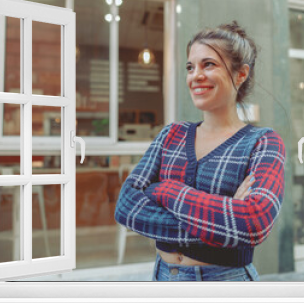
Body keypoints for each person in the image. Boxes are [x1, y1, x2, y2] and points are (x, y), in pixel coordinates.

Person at [115, 21, 285, 281]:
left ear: (240, 74)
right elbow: (126, 207)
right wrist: (225, 222)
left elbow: (253, 223)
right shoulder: (171, 134)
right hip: (163, 276)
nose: (196, 76)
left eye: (209, 64)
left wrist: (164, 190)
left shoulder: (263, 143)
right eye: (190, 67)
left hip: (227, 280)